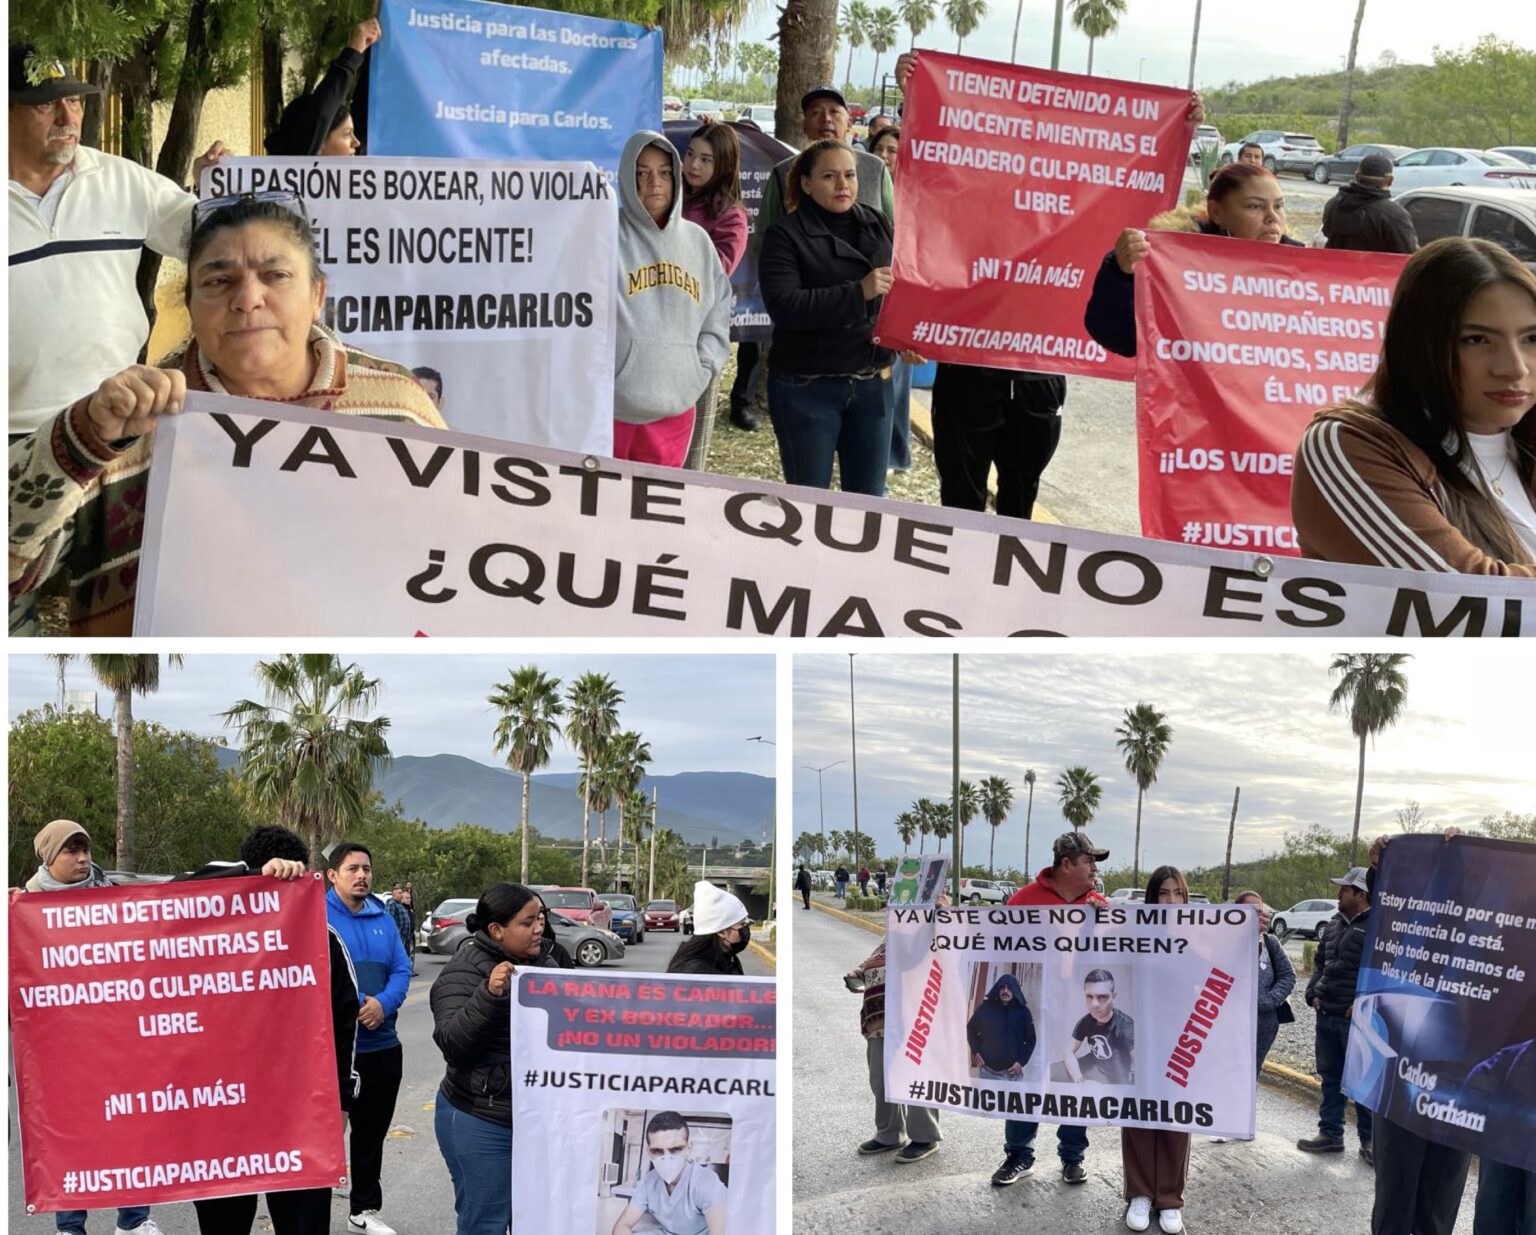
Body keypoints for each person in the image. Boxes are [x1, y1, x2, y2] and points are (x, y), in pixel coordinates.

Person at [9, 193, 447, 636]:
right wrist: (83, 440)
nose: (247, 299)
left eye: (275, 276)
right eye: (219, 282)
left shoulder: (397, 405)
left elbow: (460, 548)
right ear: (191, 305)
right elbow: (13, 574)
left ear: (317, 295)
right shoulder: (129, 424)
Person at [9, 45, 226, 438]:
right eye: (46, 104)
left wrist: (216, 187)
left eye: (74, 100)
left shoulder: (120, 179)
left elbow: (212, 237)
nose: (68, 117)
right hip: (16, 436)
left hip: (123, 419)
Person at [1292, 237, 1536, 575]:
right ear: (1418, 345)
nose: (1515, 367)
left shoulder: (1525, 439)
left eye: (1531, 339)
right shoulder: (1349, 445)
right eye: (1476, 340)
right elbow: (1469, 601)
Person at [182, 825, 361, 1235]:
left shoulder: (322, 940)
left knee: (303, 1225)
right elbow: (179, 891)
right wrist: (250, 872)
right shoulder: (206, 938)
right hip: (222, 1116)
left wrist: (342, 1102)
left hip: (300, 1118)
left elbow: (344, 1026)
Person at [22, 820, 166, 1235]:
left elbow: (178, 893)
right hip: (61, 1047)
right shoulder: (24, 906)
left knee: (131, 1125)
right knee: (70, 1133)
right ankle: (70, 1225)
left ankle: (133, 1220)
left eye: (86, 850)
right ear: (50, 856)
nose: (84, 859)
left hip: (119, 1040)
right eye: (72, 851)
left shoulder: (113, 895)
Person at [732, 85, 896, 433]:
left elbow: (896, 243)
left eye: (834, 112)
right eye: (815, 112)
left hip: (869, 357)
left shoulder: (876, 171)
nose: (825, 120)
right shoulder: (783, 174)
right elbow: (766, 243)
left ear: (848, 122)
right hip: (808, 354)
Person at [759, 140, 899, 496]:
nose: (843, 185)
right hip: (808, 387)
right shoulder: (785, 234)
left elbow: (902, 285)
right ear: (806, 183)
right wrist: (858, 292)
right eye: (829, 176)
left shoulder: (877, 221)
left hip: (872, 383)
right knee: (809, 503)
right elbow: (784, 307)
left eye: (849, 175)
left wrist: (907, 332)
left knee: (868, 502)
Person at [431, 883, 560, 1235]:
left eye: (541, 919)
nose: (539, 928)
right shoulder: (463, 971)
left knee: (533, 1219)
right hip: (481, 1117)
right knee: (484, 1224)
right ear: (497, 931)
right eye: (528, 921)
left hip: (534, 1118)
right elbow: (453, 1044)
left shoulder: (546, 962)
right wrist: (490, 995)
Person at [1364, 832, 1473, 1235]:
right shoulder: (1403, 931)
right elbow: (1387, 911)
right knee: (1395, 1199)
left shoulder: (1493, 938)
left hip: (1463, 1084)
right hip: (1399, 1074)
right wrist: (1383, 867)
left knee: (1438, 1208)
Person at [1085, 161, 1302, 358]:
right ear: (1216, 212)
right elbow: (1124, 340)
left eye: (1279, 206)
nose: (1272, 217)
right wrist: (1121, 273)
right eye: (1255, 206)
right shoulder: (1171, 263)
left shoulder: (1304, 272)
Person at [992, 831, 1111, 1188]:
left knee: (1073, 1083)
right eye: (1088, 861)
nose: (1094, 868)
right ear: (1066, 864)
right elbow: (999, 955)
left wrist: (1103, 922)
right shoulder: (1023, 901)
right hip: (1033, 1009)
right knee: (1026, 1082)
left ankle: (1072, 1157)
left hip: (1075, 1012)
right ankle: (1018, 1155)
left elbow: (1114, 960)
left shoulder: (1098, 905)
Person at [613, 130, 732, 468]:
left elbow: (719, 308)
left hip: (674, 413)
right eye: (643, 172)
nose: (655, 183)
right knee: (605, 511)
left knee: (656, 512)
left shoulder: (698, 241)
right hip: (613, 411)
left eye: (664, 172)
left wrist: (702, 368)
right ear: (627, 176)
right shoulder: (604, 234)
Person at [326, 843, 412, 1235]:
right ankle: (305, 1214)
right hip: (336, 1050)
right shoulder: (316, 915)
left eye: (366, 869)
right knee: (326, 1136)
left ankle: (364, 1209)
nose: (361, 876)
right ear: (333, 875)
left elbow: (401, 968)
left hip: (382, 1044)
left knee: (371, 1133)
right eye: (352, 869)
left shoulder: (384, 917)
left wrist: (381, 1004)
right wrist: (360, 1005)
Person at [679, 121, 749, 471]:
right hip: (651, 339)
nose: (693, 165)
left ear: (723, 165)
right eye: (690, 154)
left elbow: (712, 276)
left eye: (706, 160)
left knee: (693, 447)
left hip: (698, 340)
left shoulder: (730, 217)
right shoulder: (668, 197)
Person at [1120, 867, 1185, 1234]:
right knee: (1140, 1116)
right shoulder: (1133, 935)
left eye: (1178, 893)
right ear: (1150, 897)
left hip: (1182, 1043)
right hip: (1138, 1041)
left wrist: (1249, 933)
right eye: (1163, 893)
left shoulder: (1201, 937)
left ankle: (1170, 1198)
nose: (1171, 901)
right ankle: (1141, 1193)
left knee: (1176, 1118)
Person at [1297, 864, 1373, 1164]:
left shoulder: (1378, 928)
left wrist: (1365, 1003)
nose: (1339, 893)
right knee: (1330, 1078)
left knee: (1363, 1085)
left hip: (1355, 1020)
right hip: (1326, 1014)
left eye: (1345, 889)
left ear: (1362, 894)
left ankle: (1370, 1142)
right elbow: (1320, 963)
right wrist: (1312, 993)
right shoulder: (1333, 924)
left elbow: (1383, 972)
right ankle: (1331, 1135)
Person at [848, 932, 942, 1163]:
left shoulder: (939, 927)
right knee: (880, 1078)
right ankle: (889, 1134)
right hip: (879, 1017)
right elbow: (879, 954)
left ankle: (925, 1137)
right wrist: (859, 973)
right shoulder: (896, 929)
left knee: (916, 1078)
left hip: (914, 1016)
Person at [264, 19, 380, 156]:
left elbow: (365, 111)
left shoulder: (350, 174)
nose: (356, 142)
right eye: (347, 134)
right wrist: (354, 52)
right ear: (317, 139)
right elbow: (322, 111)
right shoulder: (299, 168)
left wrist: (374, 40)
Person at [611, 1111, 727, 1235]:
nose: (667, 1159)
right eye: (657, 1151)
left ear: (688, 1148)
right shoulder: (649, 1181)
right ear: (649, 1152)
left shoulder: (706, 1182)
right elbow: (622, 1225)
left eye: (675, 1149)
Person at [1234, 890, 1295, 1074]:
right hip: (1232, 1025)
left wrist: (1269, 1000)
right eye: (1251, 910)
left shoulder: (1271, 943)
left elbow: (1288, 975)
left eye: (1260, 910)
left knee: (1251, 1075)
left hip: (1264, 1025)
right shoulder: (1225, 943)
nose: (1258, 915)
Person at [1321, 153, 1418, 254]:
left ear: (1357, 175)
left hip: (1335, 268)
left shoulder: (1334, 204)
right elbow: (1407, 254)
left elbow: (1326, 234)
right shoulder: (1394, 214)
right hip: (1377, 269)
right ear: (1390, 181)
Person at [666, 882, 751, 975]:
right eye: (742, 924)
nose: (746, 929)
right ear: (722, 932)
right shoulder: (695, 972)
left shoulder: (727, 959)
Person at [967, 972, 1037, 1081]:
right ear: (998, 989)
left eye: (1009, 988)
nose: (1005, 991)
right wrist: (975, 1050)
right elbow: (970, 1029)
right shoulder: (986, 1008)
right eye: (1002, 988)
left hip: (1011, 1074)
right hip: (987, 1071)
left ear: (1015, 990)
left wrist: (1020, 1062)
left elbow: (1031, 1040)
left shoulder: (1023, 1013)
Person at [387, 882, 416, 976]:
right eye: (399, 893)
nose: (401, 895)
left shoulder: (400, 905)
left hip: (405, 934)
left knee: (405, 954)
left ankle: (405, 970)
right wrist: (397, 931)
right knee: (398, 954)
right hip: (399, 934)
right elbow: (389, 919)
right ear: (394, 895)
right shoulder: (392, 904)